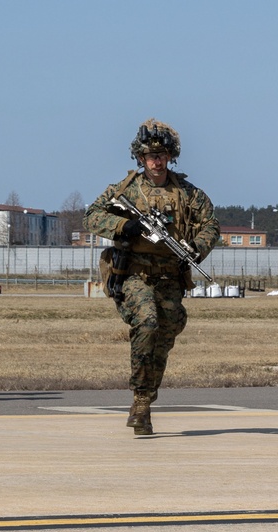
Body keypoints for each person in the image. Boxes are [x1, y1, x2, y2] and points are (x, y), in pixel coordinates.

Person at [84, 119, 220, 435]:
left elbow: (210, 225)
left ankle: (147, 395)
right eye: (150, 155)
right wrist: (124, 227)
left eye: (161, 155)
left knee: (166, 335)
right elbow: (92, 215)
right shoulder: (126, 190)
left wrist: (196, 248)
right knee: (147, 323)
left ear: (170, 156)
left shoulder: (188, 193)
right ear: (140, 158)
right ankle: (141, 403)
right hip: (134, 274)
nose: (156, 161)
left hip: (171, 276)